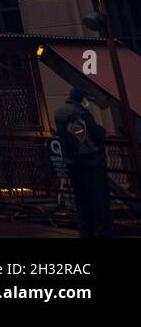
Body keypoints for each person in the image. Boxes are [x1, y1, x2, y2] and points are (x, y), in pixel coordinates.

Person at [54, 87, 114, 237]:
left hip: (73, 163)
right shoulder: (81, 113)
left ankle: (85, 231)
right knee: (99, 201)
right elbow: (97, 134)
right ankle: (102, 232)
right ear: (83, 99)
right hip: (91, 163)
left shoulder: (60, 113)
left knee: (82, 201)